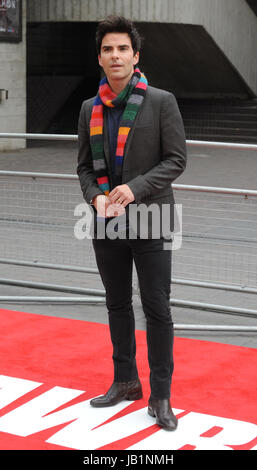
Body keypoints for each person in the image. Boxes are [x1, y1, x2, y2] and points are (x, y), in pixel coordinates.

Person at [77, 15, 187, 431]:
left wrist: (134, 188)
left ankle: (161, 395)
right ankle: (125, 381)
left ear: (135, 56)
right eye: (108, 49)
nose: (115, 55)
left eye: (123, 48)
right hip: (106, 221)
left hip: (152, 216)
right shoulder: (89, 108)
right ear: (101, 58)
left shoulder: (161, 101)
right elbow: (84, 167)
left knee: (157, 307)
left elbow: (176, 160)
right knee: (117, 304)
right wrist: (96, 196)